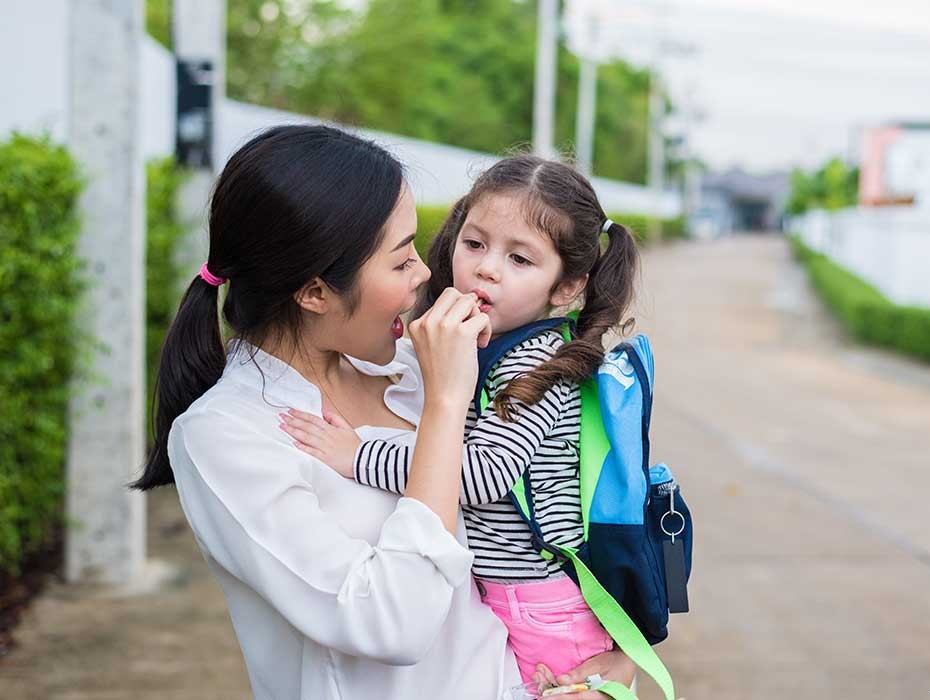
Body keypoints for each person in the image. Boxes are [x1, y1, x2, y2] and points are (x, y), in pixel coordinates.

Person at [131, 126, 634, 699]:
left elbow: (543, 519)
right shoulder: (225, 438)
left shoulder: (416, 368)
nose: (426, 274)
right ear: (315, 292)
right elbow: (394, 624)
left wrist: (609, 665)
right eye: (400, 262)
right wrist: (446, 405)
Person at [279, 154, 643, 683]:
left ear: (566, 288)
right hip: (518, 602)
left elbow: (481, 474)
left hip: (540, 609)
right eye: (475, 244)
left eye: (521, 260)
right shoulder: (483, 343)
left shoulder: (534, 363)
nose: (487, 268)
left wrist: (358, 455)